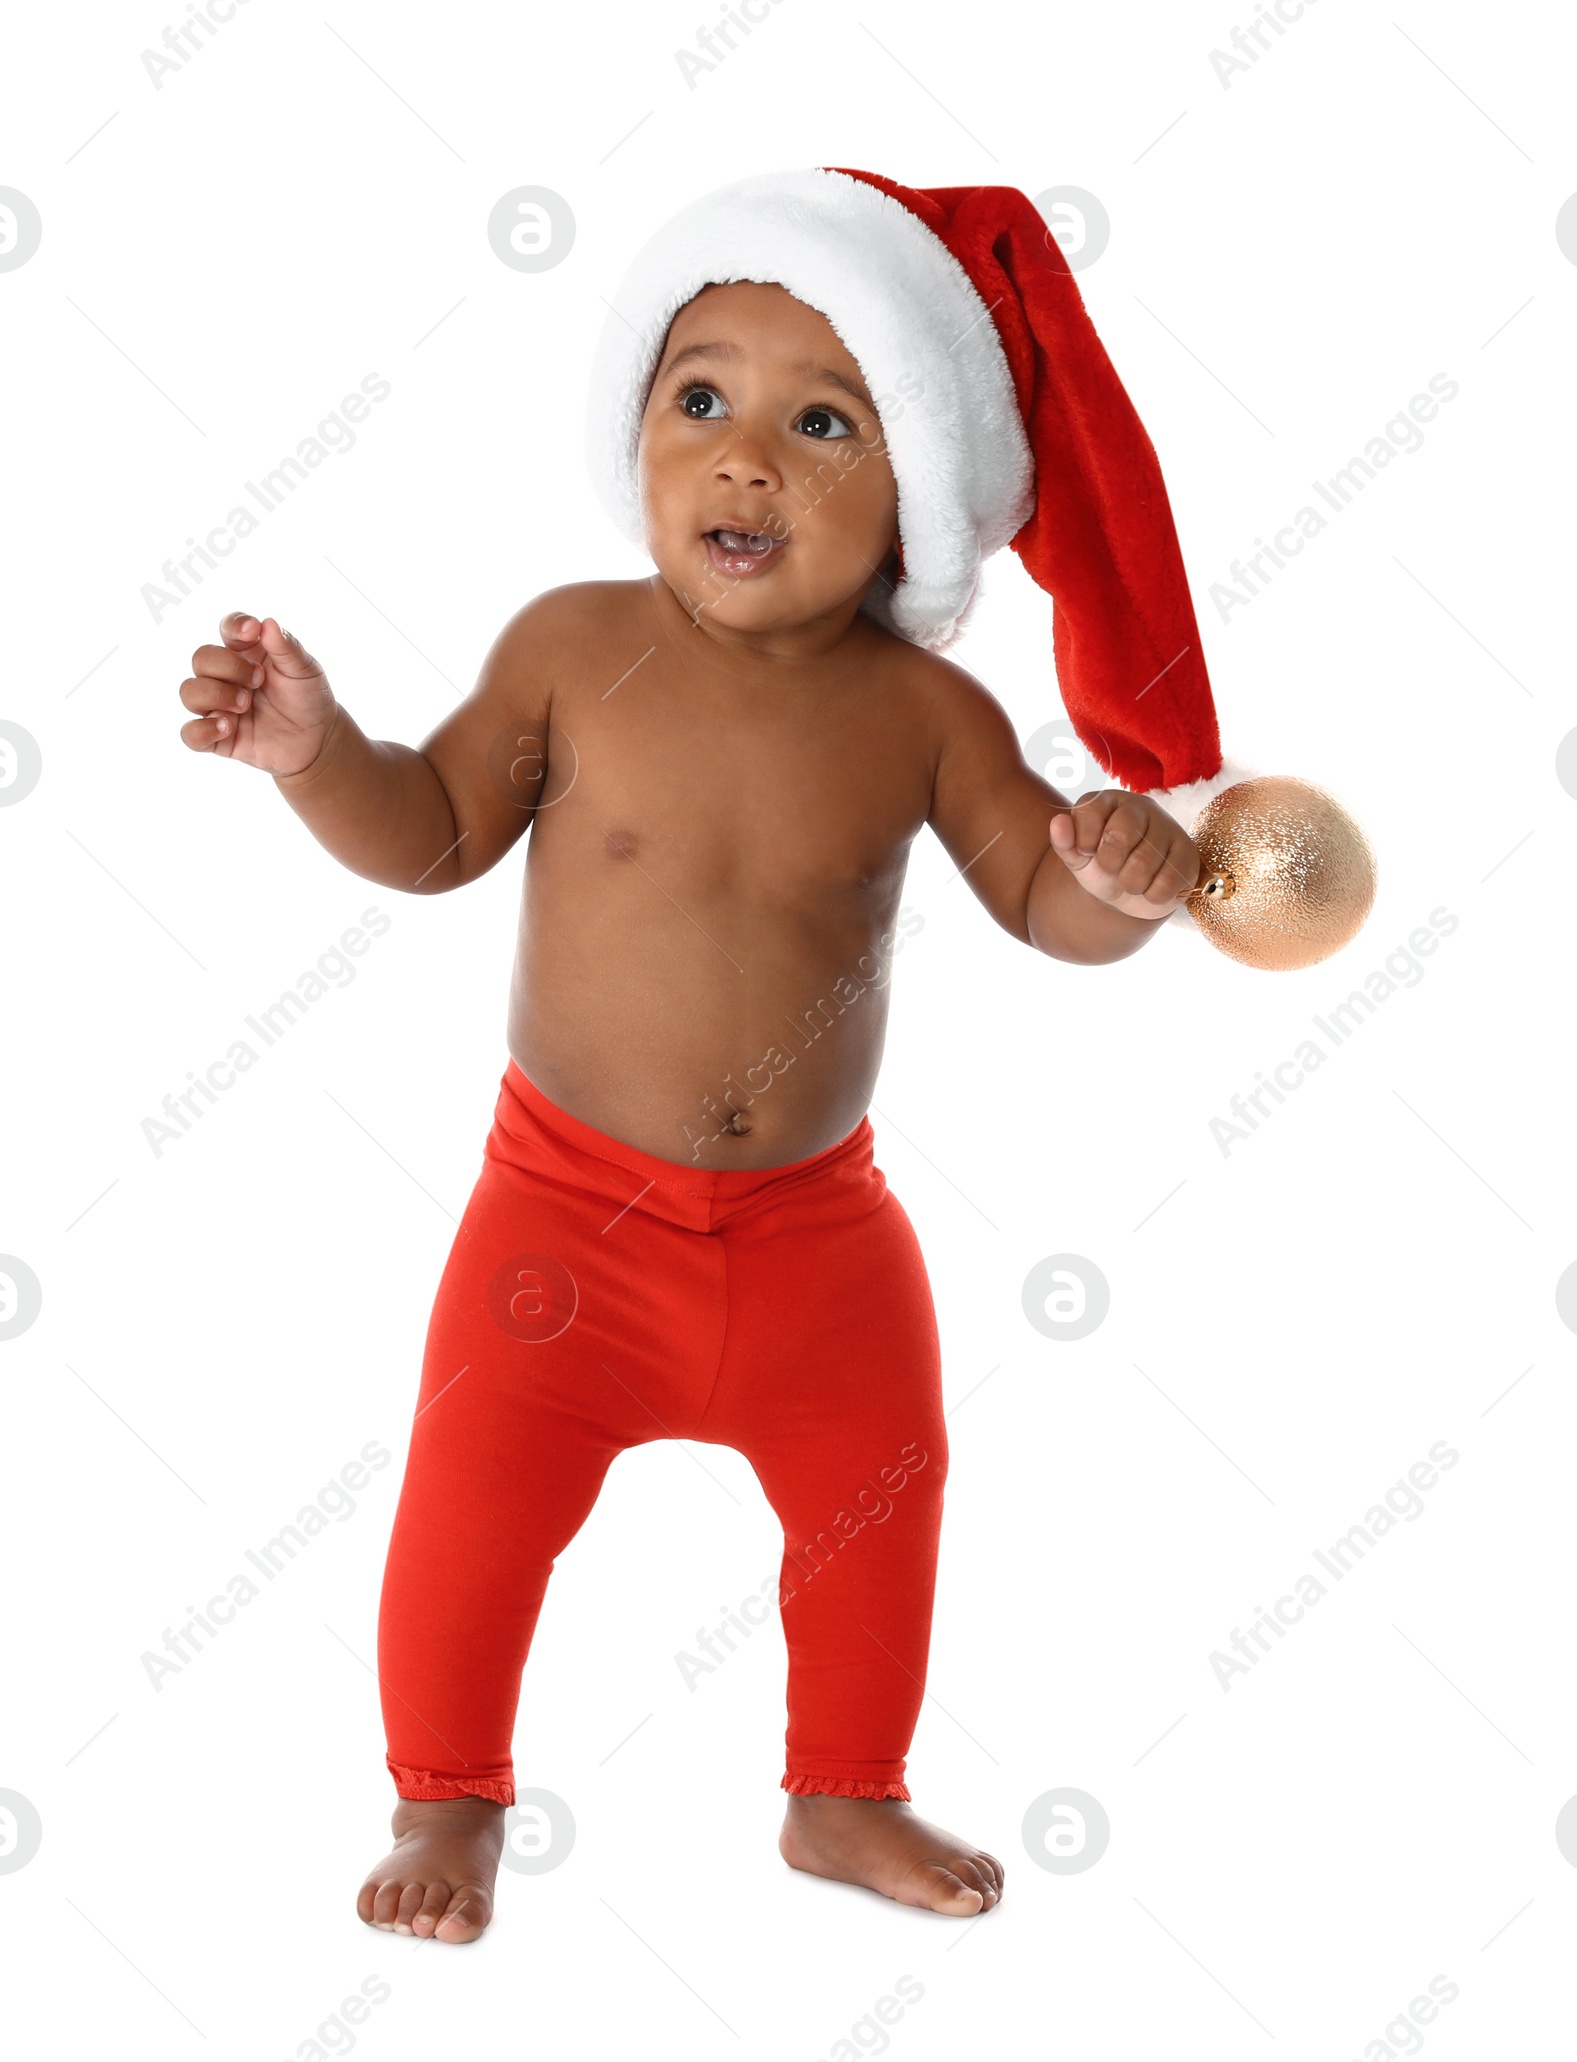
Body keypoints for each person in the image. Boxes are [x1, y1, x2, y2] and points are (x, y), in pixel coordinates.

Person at [175, 167, 1243, 1944]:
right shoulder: (573, 649)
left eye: (822, 420)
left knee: (885, 1487)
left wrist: (1125, 880)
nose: (745, 457)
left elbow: (1044, 909)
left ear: (918, 493)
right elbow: (433, 833)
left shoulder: (930, 716)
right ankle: (446, 1796)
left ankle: (844, 1791)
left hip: (816, 1240)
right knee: (467, 1507)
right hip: (558, 1229)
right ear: (636, 436)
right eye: (701, 400)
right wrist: (316, 749)